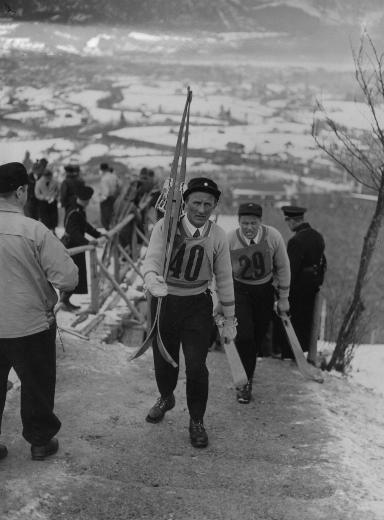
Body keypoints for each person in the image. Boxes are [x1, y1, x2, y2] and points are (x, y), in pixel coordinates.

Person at [143, 177, 236, 448]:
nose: (201, 209)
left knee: (197, 366)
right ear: (185, 203)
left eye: (208, 204)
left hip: (197, 304)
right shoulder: (166, 226)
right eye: (196, 202)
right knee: (164, 359)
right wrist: (151, 279)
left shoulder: (217, 235)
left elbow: (225, 277)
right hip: (165, 300)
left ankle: (197, 419)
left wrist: (229, 317)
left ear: (215, 205)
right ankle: (166, 396)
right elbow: (153, 258)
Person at [0, 162, 78, 461]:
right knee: (36, 383)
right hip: (30, 324)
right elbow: (68, 278)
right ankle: (40, 441)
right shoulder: (34, 230)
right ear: (21, 191)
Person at [227, 202, 291, 404]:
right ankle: (244, 384)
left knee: (256, 338)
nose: (248, 228)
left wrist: (283, 298)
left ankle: (248, 375)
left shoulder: (273, 237)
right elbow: (220, 271)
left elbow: (283, 267)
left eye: (253, 223)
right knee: (244, 335)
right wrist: (220, 299)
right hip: (240, 290)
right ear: (239, 222)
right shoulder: (230, 239)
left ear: (260, 222)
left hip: (264, 291)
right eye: (244, 223)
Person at [277, 205, 326, 358]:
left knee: (291, 321)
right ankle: (301, 352)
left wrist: (282, 289)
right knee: (306, 321)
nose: (288, 224)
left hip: (297, 289)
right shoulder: (318, 236)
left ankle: (288, 353)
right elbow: (323, 262)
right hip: (313, 286)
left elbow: (290, 269)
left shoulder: (296, 240)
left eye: (288, 220)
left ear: (293, 221)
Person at [60, 185, 104, 312]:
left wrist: (98, 234)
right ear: (85, 200)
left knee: (75, 274)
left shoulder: (78, 209)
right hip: (71, 245)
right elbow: (73, 232)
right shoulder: (74, 211)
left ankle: (65, 301)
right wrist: (88, 242)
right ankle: (63, 301)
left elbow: (85, 226)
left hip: (77, 244)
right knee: (71, 274)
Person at [99, 162, 120, 230]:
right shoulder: (114, 176)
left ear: (102, 170)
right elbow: (119, 186)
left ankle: (109, 234)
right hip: (115, 199)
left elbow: (106, 193)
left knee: (106, 220)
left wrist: (101, 200)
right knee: (113, 217)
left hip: (107, 201)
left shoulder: (104, 179)